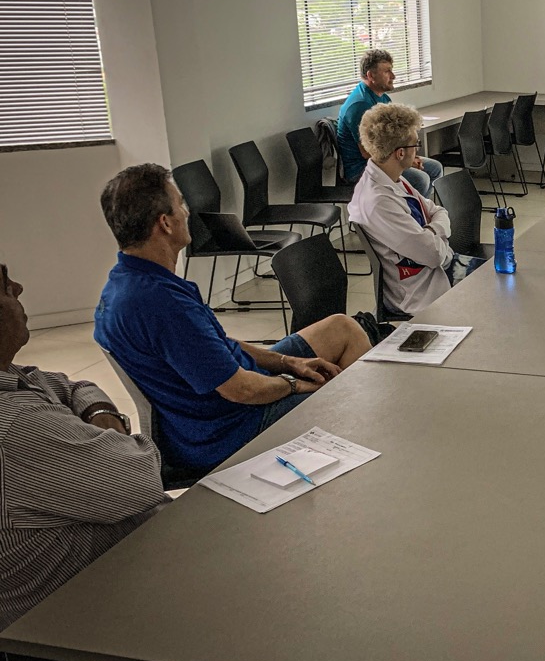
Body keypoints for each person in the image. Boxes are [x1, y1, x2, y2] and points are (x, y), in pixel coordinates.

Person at [0, 264, 291, 661]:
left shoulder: (12, 383)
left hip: (88, 553)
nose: (19, 290)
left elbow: (69, 381)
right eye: (4, 286)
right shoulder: (12, 427)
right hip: (61, 601)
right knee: (262, 551)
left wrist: (95, 419)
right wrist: (109, 435)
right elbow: (140, 474)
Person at [93, 164, 370, 480]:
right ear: (165, 223)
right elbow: (241, 391)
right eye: (181, 204)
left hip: (227, 401)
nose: (187, 211)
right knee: (347, 398)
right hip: (228, 429)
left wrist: (287, 361)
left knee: (341, 328)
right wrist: (295, 384)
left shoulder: (127, 282)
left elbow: (212, 345)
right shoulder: (159, 303)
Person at [349, 104, 483, 314]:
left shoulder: (394, 180)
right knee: (498, 294)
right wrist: (435, 232)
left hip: (439, 270)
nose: (418, 150)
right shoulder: (377, 201)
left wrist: (430, 232)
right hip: (420, 292)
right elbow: (433, 255)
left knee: (503, 275)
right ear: (401, 153)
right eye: (416, 144)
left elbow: (439, 211)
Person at [336, 48, 443, 194]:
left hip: (386, 158)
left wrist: (409, 155)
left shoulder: (382, 97)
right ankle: (406, 215)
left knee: (435, 167)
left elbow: (394, 137)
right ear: (370, 75)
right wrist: (407, 161)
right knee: (420, 179)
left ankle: (422, 212)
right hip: (363, 168)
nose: (393, 76)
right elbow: (368, 152)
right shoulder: (359, 105)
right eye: (387, 71)